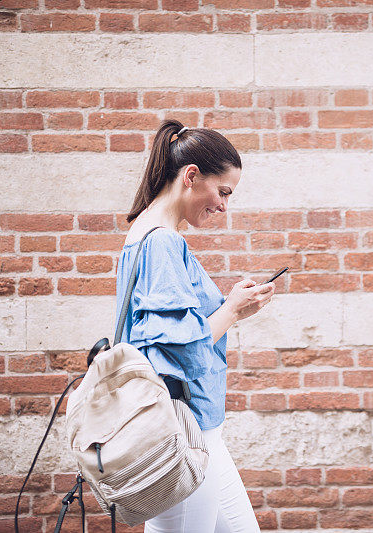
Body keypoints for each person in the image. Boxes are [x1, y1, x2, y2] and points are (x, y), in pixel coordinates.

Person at [113, 119, 274, 533]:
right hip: (184, 431)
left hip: (199, 429)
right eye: (222, 192)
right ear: (190, 176)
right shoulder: (163, 241)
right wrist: (233, 309)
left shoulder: (148, 233)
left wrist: (232, 305)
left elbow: (174, 330)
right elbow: (178, 350)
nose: (224, 205)